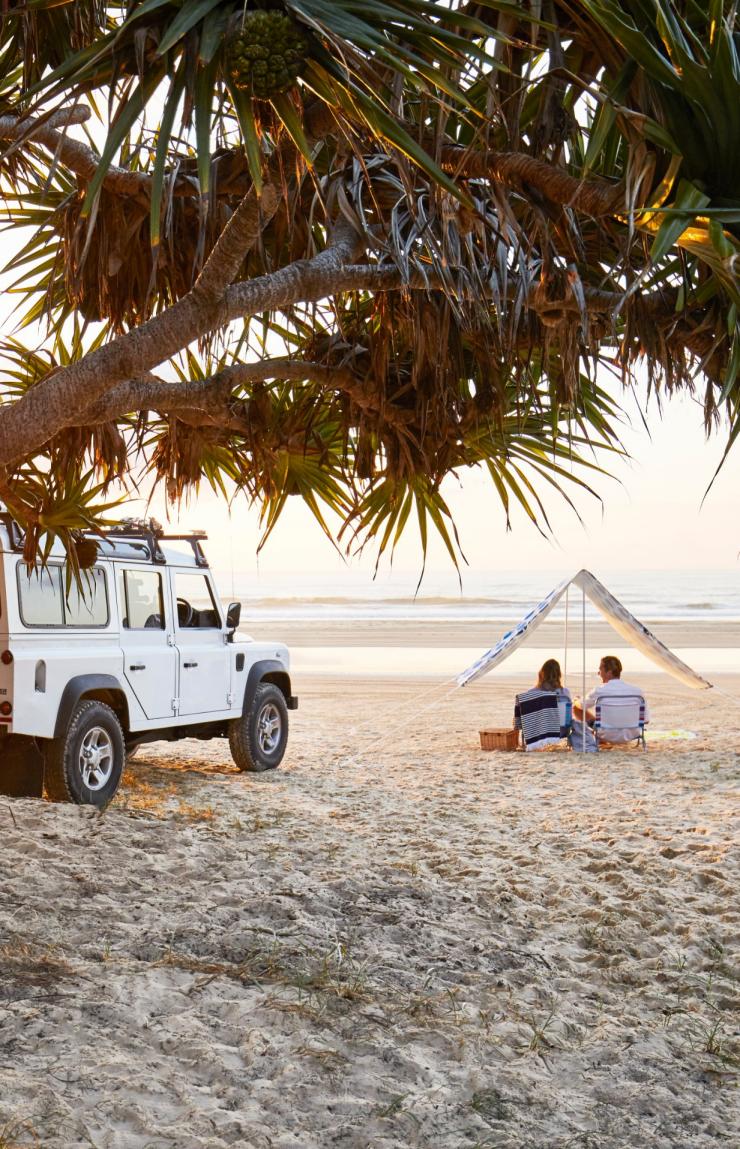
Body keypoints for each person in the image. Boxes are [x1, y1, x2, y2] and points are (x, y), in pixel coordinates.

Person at [572, 655, 650, 751]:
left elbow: (582, 705)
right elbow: (646, 720)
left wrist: (576, 700)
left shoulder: (600, 690)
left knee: (576, 708)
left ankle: (601, 738)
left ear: (609, 672)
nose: (598, 673)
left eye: (600, 670)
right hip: (632, 733)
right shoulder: (637, 691)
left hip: (606, 734)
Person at [514, 659, 572, 751]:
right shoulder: (565, 693)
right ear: (559, 675)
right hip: (562, 731)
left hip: (538, 733)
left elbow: (522, 719)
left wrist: (518, 725)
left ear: (542, 674)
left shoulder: (532, 693)